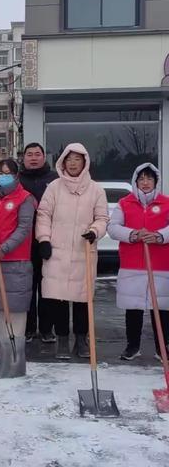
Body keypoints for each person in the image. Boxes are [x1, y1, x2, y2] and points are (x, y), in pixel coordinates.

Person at [36, 143, 109, 359]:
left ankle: (81, 340)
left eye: (78, 159)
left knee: (82, 300)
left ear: (85, 162)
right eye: (69, 159)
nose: (73, 163)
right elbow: (43, 215)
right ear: (63, 162)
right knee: (57, 300)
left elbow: (102, 218)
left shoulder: (96, 189)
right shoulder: (54, 187)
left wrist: (95, 231)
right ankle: (62, 340)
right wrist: (44, 240)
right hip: (56, 252)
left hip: (82, 251)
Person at [107, 163, 169, 361]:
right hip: (132, 263)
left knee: (161, 308)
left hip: (160, 263)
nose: (145, 182)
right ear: (135, 181)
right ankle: (132, 346)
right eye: (141, 178)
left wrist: (160, 236)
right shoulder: (125, 203)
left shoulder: (166, 203)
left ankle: (163, 348)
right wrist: (132, 234)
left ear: (155, 181)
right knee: (133, 307)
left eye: (149, 178)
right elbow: (113, 227)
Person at [0, 159, 35, 359]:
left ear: (16, 175)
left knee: (15, 306)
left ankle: (14, 344)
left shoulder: (25, 198)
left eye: (7, 172)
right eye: (0, 172)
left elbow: (24, 228)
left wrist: (6, 248)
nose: (3, 176)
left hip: (15, 259)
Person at [19, 142, 58, 343]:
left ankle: (46, 329)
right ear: (23, 158)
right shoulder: (17, 180)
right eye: (29, 154)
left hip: (48, 241)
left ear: (44, 157)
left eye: (37, 154)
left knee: (47, 286)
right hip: (22, 243)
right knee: (27, 286)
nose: (33, 158)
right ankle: (28, 328)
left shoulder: (54, 180)